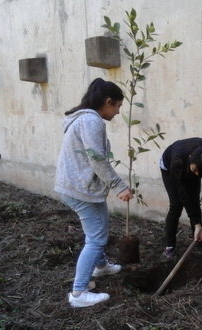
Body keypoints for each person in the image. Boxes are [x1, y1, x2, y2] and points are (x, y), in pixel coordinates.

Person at [54, 78, 133, 308]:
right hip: (80, 188)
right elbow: (97, 160)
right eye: (117, 106)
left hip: (74, 185)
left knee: (99, 226)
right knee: (97, 238)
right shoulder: (91, 121)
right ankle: (78, 293)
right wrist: (120, 186)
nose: (118, 112)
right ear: (108, 102)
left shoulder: (82, 119)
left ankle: (101, 267)